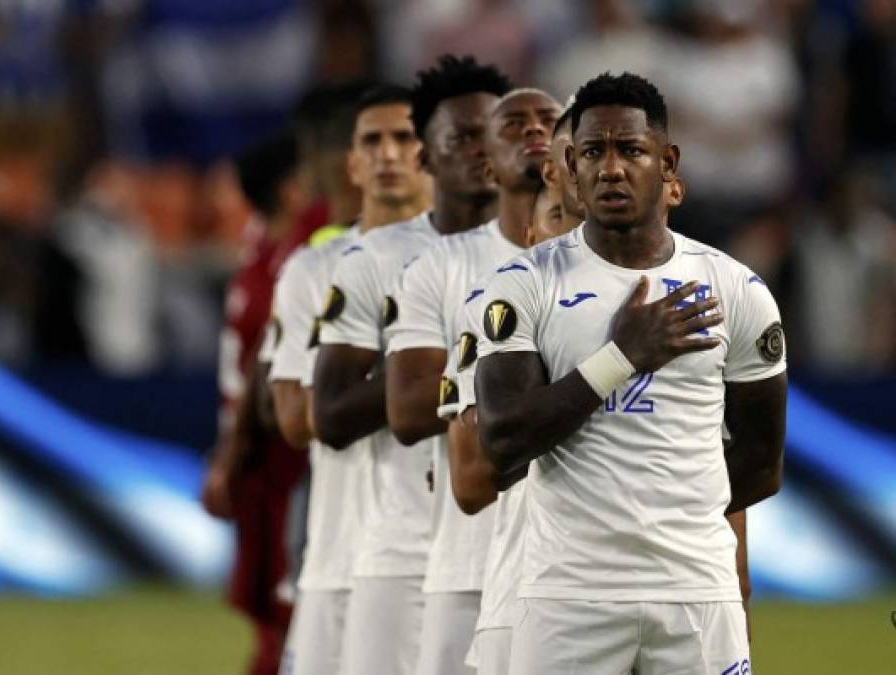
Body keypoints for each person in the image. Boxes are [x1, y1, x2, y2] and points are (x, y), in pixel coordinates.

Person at [473, 72, 786, 674]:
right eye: (594, 151)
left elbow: (760, 462)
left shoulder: (736, 290)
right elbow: (501, 442)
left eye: (632, 150)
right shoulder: (524, 285)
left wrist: (669, 511)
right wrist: (621, 357)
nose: (612, 168)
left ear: (667, 163)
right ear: (570, 165)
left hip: (695, 591)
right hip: (567, 595)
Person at [312, 56, 508, 675]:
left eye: (492, 133)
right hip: (406, 548)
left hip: (520, 545)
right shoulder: (377, 260)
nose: (482, 150)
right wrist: (433, 369)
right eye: (463, 136)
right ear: (429, 154)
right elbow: (332, 414)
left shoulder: (553, 260)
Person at [385, 84, 560, 675]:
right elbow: (408, 411)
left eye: (549, 120)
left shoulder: (620, 271)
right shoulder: (444, 267)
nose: (536, 131)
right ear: (487, 160)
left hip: (579, 568)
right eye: (516, 124)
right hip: (467, 558)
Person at [266, 83, 428, 675]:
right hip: (340, 557)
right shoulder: (313, 270)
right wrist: (419, 376)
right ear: (352, 163)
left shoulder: (480, 263)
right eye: (373, 142)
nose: (388, 154)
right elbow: (294, 418)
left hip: (455, 559)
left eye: (404, 138)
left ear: (433, 151)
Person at [200, 129, 310, 675]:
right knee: (287, 613)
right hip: (279, 451)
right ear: (291, 190)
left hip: (262, 449)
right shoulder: (294, 256)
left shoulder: (258, 248)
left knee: (281, 614)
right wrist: (234, 448)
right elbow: (265, 361)